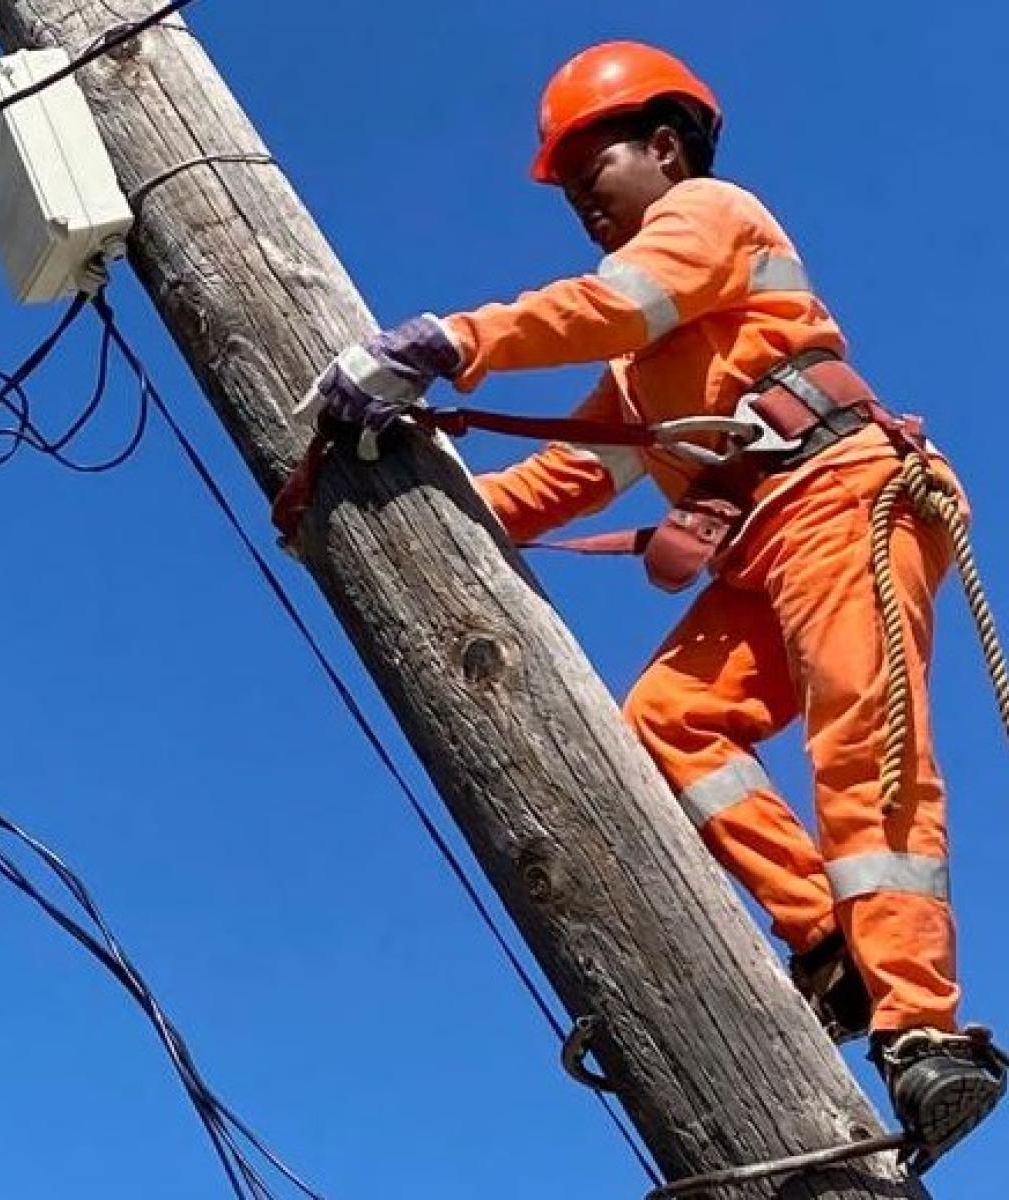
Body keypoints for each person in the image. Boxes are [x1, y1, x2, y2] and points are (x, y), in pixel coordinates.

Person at [298, 40, 1005, 1163]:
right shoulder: (647, 379)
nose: (580, 192)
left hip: (844, 494)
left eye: (594, 162)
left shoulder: (712, 217)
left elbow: (612, 306)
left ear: (665, 147)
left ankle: (924, 1031)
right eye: (568, 177)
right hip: (767, 542)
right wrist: (381, 490)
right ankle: (828, 940)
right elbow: (555, 481)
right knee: (673, 718)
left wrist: (449, 342)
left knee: (863, 742)